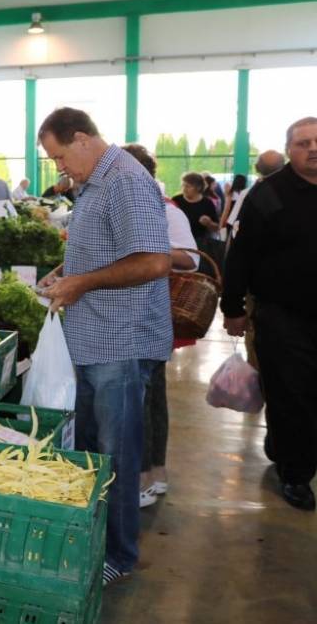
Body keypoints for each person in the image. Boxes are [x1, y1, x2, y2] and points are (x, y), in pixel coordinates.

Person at [37, 108, 171, 586]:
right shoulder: (95, 183)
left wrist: (83, 284)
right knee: (93, 449)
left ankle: (119, 554)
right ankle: (97, 542)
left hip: (121, 340)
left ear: (80, 139)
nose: (60, 169)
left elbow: (154, 262)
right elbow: (105, 249)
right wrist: (66, 274)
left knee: (117, 453)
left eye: (58, 157)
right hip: (94, 338)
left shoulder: (126, 182)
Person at [222, 116, 317, 511]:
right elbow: (240, 256)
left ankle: (282, 444)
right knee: (291, 394)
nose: (312, 149)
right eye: (302, 143)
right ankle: (296, 475)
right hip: (282, 315)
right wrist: (232, 308)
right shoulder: (267, 195)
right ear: (289, 150)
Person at [121, 143, 198, 509]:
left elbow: (191, 259)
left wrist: (152, 252)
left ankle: (149, 475)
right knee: (145, 394)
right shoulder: (129, 206)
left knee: (148, 396)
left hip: (153, 312)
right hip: (129, 314)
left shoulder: (169, 212)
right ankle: (152, 473)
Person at [171, 172, 219, 247]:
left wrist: (209, 223)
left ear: (198, 187)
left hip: (200, 243)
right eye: (183, 185)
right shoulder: (176, 200)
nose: (184, 189)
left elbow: (216, 227)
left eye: (188, 186)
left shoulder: (207, 203)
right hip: (179, 242)